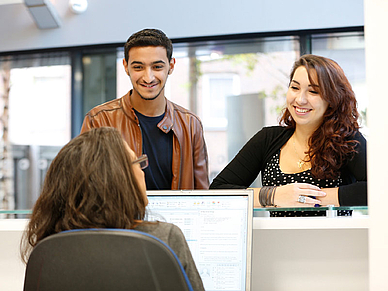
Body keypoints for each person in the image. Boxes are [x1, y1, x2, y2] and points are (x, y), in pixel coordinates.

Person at [20, 127, 205, 291]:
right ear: (118, 178)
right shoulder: (164, 237)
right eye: (137, 162)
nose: (143, 171)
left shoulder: (48, 249)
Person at [210, 54, 367, 212]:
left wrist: (306, 198)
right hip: (276, 237)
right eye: (295, 88)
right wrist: (273, 196)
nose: (300, 99)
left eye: (313, 91)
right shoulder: (267, 139)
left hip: (334, 236)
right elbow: (218, 192)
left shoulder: (347, 139)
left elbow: (376, 189)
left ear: (333, 99)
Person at [81, 28, 209, 190]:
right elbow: (86, 188)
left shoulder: (191, 124)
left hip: (176, 216)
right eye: (138, 67)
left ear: (171, 66)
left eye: (157, 67)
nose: (148, 78)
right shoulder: (99, 119)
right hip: (120, 216)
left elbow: (203, 193)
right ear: (126, 66)